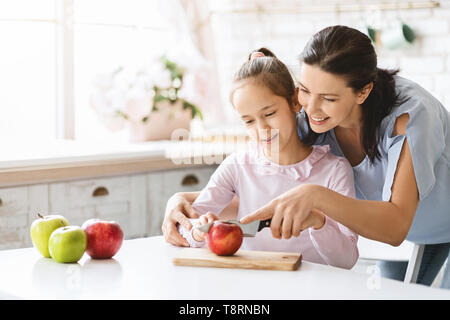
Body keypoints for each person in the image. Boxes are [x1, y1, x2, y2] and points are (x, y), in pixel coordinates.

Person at [162, 26, 450, 288]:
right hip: (409, 232)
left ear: (362, 92)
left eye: (328, 98)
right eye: (305, 90)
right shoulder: (313, 121)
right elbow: (265, 194)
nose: (310, 109)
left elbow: (394, 226)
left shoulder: (412, 116)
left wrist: (315, 197)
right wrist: (183, 202)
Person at [172, 48, 359, 269]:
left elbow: (347, 261)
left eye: (269, 114)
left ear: (295, 102)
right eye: (249, 121)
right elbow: (185, 229)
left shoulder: (334, 170)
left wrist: (319, 223)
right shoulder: (237, 166)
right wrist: (197, 229)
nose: (262, 129)